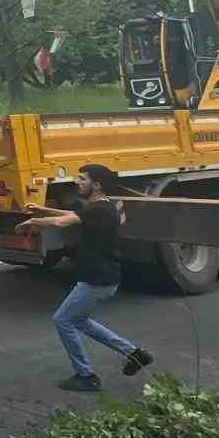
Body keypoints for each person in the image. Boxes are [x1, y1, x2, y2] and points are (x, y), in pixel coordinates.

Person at [15, 162, 155, 392]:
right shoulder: (99, 206)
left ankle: (86, 375)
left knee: (63, 320)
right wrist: (44, 211)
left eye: (82, 179)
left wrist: (34, 221)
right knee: (79, 321)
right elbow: (74, 215)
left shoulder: (100, 209)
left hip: (98, 279)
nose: (76, 182)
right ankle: (135, 353)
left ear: (97, 185)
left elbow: (62, 222)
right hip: (100, 276)